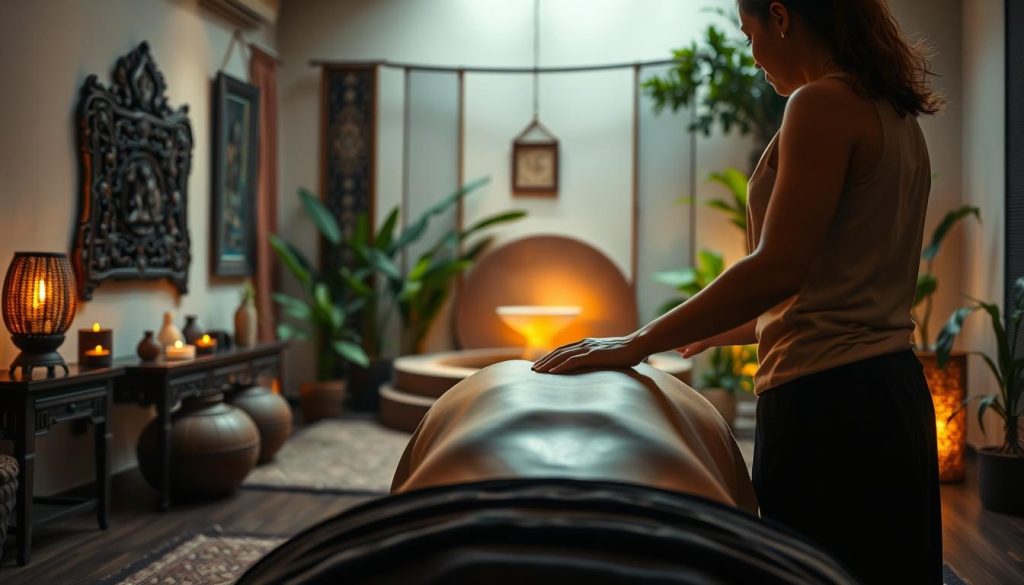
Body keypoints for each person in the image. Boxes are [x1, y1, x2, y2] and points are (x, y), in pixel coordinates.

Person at [533, 0, 943, 582]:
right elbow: (834, 292)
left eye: (751, 36)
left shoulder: (820, 103)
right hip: (891, 398)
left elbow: (779, 268)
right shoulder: (897, 115)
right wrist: (704, 333)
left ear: (782, 16)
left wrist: (638, 341)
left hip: (827, 411)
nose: (752, 58)